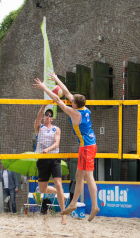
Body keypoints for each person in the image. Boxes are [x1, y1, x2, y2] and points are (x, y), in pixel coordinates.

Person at [33, 72, 100, 222]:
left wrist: (44, 87)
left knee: (88, 177)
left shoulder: (75, 113)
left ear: (75, 104)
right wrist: (57, 79)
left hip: (88, 147)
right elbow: (68, 93)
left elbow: (57, 99)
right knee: (78, 176)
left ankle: (95, 206)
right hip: (86, 146)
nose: (70, 101)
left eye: (72, 102)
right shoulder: (83, 108)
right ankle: (73, 203)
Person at [34, 105, 67, 225]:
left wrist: (47, 150)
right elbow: (37, 118)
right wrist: (43, 106)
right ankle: (60, 194)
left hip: (53, 158)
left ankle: (63, 216)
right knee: (42, 189)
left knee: (58, 184)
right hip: (42, 160)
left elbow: (57, 143)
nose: (47, 116)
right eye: (46, 115)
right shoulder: (39, 127)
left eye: (49, 115)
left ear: (52, 119)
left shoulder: (56, 129)